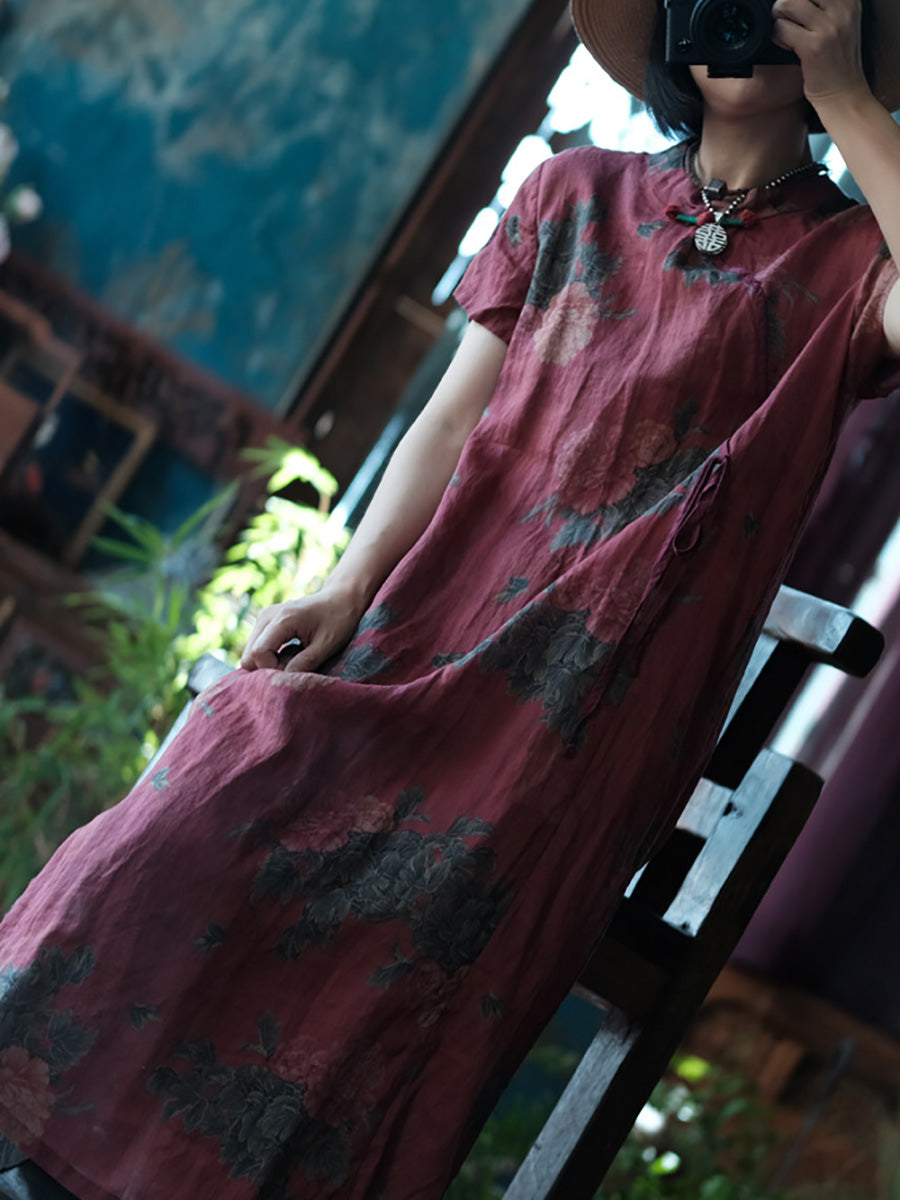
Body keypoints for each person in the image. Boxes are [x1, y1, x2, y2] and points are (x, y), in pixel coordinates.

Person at [0, 0, 899, 1196]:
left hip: (578, 713)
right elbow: (452, 418)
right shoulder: (570, 191)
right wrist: (346, 584)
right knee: (201, 802)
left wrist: (850, 97)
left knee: (402, 963)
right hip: (423, 621)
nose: (750, 20)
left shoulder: (854, 258)